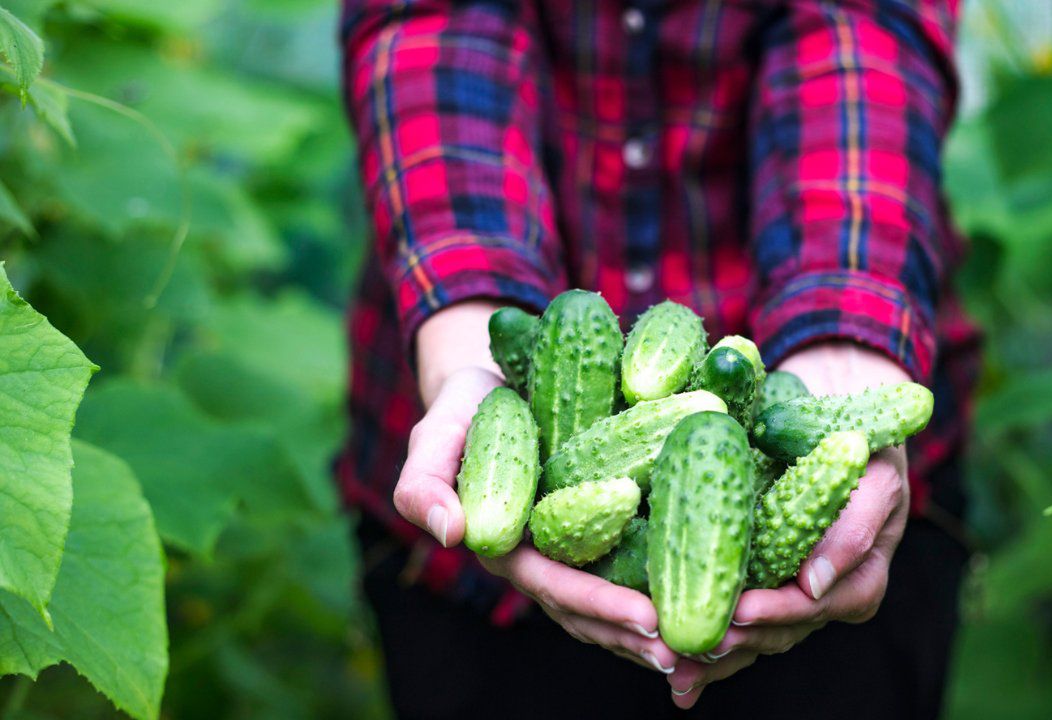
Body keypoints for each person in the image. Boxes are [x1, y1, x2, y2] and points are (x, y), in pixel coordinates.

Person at [337, 1, 980, 717]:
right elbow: (436, 25)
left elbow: (858, 31)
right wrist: (468, 317)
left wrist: (844, 322)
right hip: (461, 542)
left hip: (836, 486)